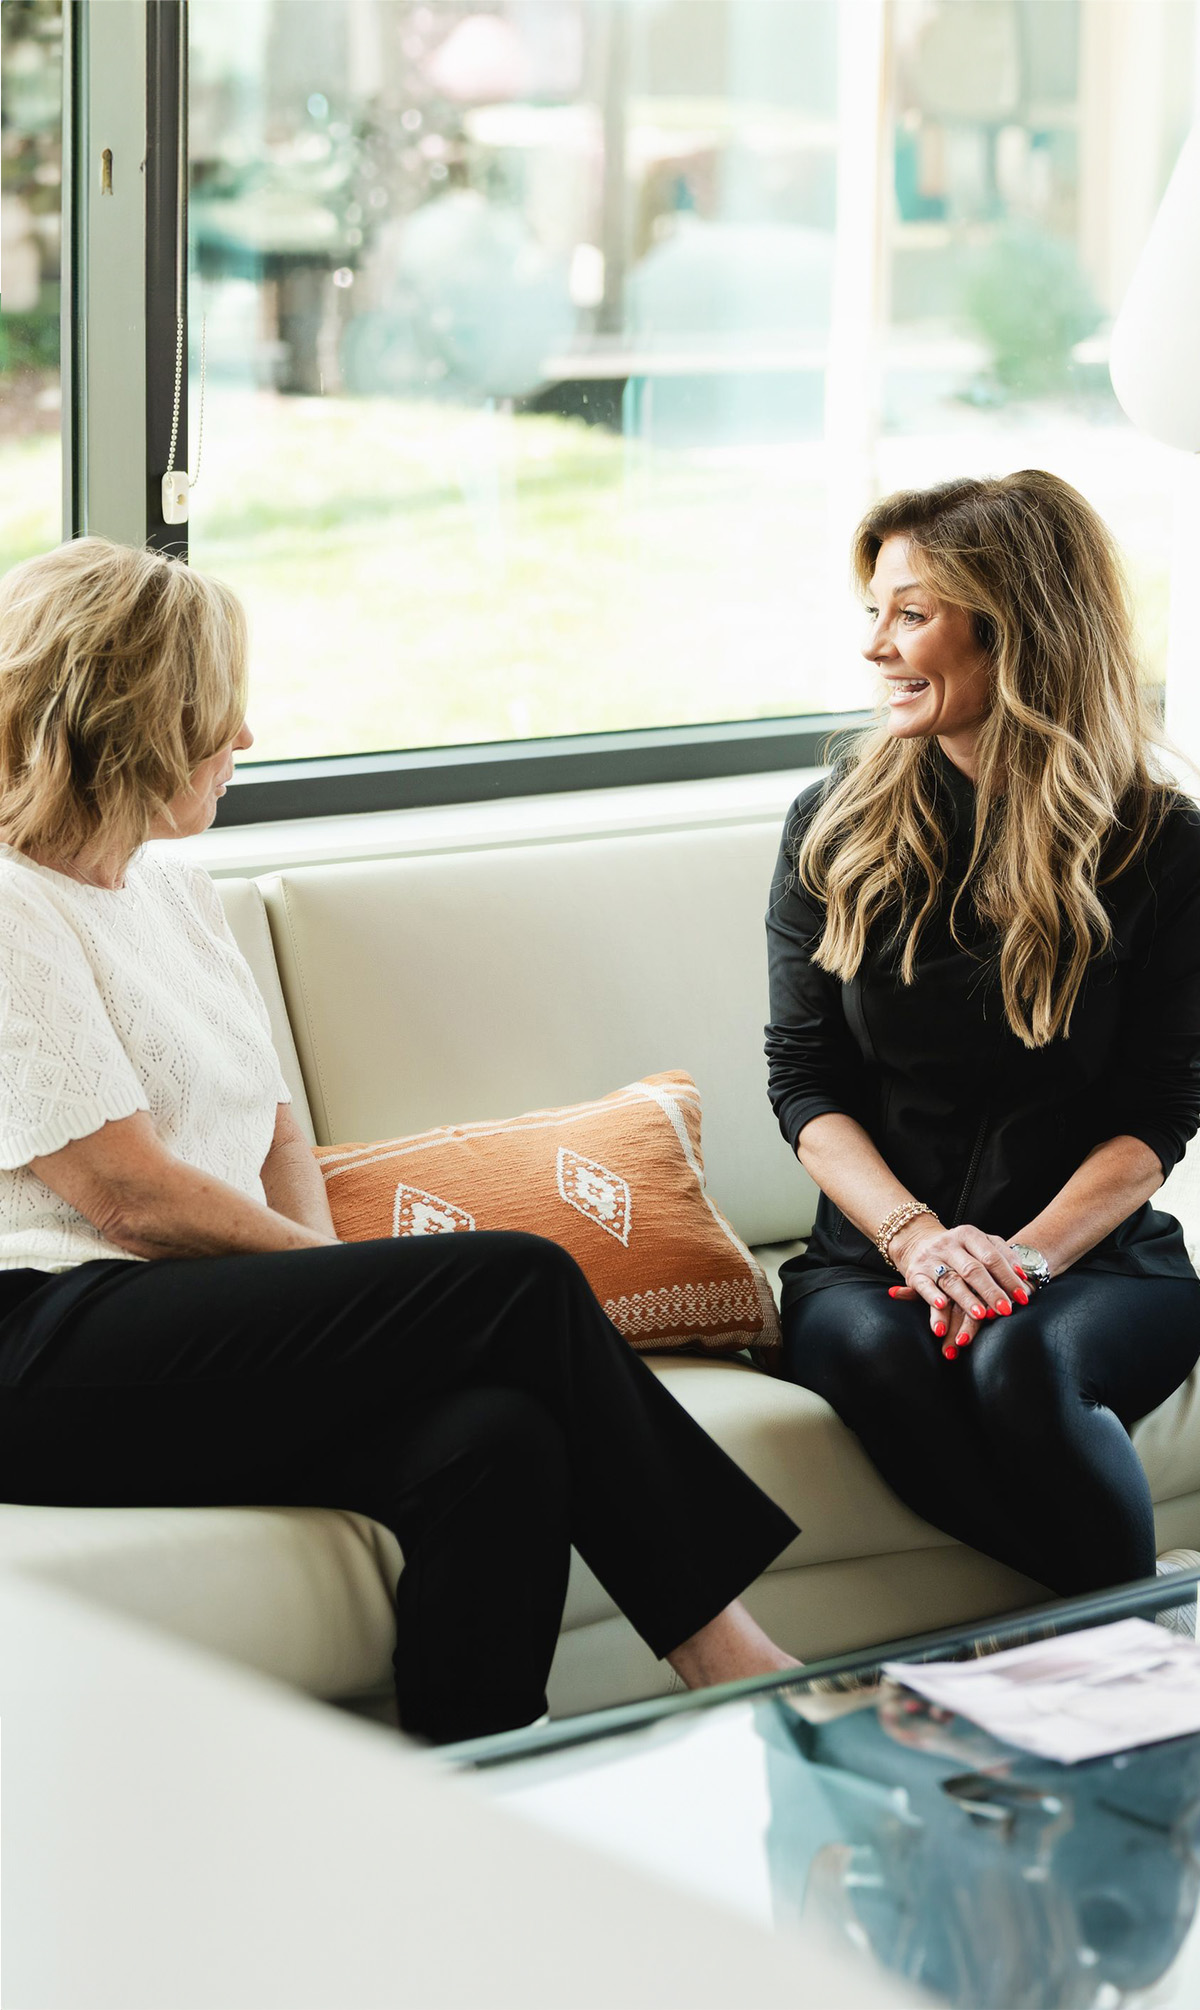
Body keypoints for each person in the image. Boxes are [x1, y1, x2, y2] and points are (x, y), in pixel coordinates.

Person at [0, 535, 800, 1745]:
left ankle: (473, 1787)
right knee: (518, 1281)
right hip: (44, 1339)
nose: (245, 736)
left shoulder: (171, 887)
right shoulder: (13, 901)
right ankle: (731, 1653)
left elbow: (278, 1126)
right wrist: (348, 1287)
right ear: (129, 725)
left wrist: (341, 1292)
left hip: (192, 1330)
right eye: (217, 713)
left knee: (499, 1442)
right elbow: (128, 1197)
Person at [766, 470, 1200, 1598]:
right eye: (875, 611)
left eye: (910, 614)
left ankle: (1118, 1648)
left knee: (1020, 1356)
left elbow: (1158, 1115)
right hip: (872, 1262)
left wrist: (1021, 1262)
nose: (876, 647)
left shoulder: (1162, 847)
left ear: (1015, 631)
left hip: (1094, 1262)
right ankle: (1142, 1624)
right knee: (881, 1353)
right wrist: (919, 1241)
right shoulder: (832, 829)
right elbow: (805, 1084)